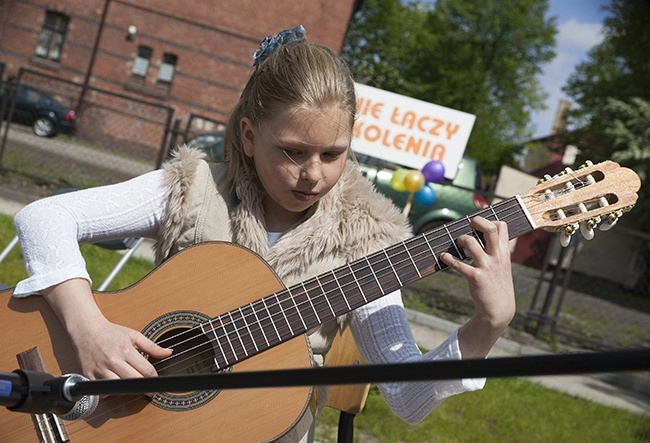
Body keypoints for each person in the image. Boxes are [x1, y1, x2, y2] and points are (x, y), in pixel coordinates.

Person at [13, 26, 515, 440]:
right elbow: (44, 219)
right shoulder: (194, 186)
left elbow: (406, 398)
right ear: (250, 137)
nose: (313, 174)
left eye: (332, 154)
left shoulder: (366, 239)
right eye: (294, 151)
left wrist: (487, 325)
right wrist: (88, 329)